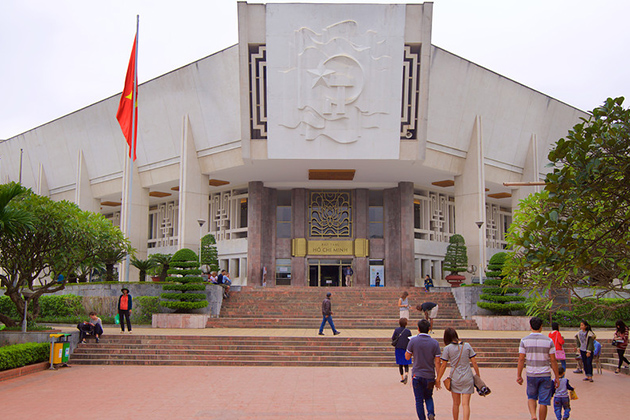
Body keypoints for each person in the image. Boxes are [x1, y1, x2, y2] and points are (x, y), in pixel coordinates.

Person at [516, 316, 560, 420]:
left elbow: (521, 359)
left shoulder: (524, 341)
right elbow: (553, 360)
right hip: (545, 373)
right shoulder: (549, 341)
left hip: (531, 373)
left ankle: (533, 415)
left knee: (531, 397)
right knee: (543, 401)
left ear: (530, 326)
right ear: (541, 327)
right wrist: (557, 377)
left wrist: (519, 375)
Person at [436, 328, 481, 420]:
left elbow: (443, 365)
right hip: (468, 376)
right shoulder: (467, 346)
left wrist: (438, 379)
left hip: (455, 377)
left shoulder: (447, 348)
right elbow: (474, 362)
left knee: (456, 403)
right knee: (466, 404)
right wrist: (478, 376)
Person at [405, 319, 441, 420]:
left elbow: (407, 357)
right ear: (429, 329)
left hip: (417, 375)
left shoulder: (413, 341)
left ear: (418, 329)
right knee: (429, 397)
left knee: (419, 400)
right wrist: (438, 378)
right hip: (429, 376)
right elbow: (437, 362)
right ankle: (431, 413)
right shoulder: (435, 343)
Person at [392, 317, 412, 384]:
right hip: (406, 348)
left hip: (398, 348)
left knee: (400, 363)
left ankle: (402, 377)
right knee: (406, 363)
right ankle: (406, 374)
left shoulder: (397, 330)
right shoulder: (408, 331)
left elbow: (393, 338)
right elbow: (410, 340)